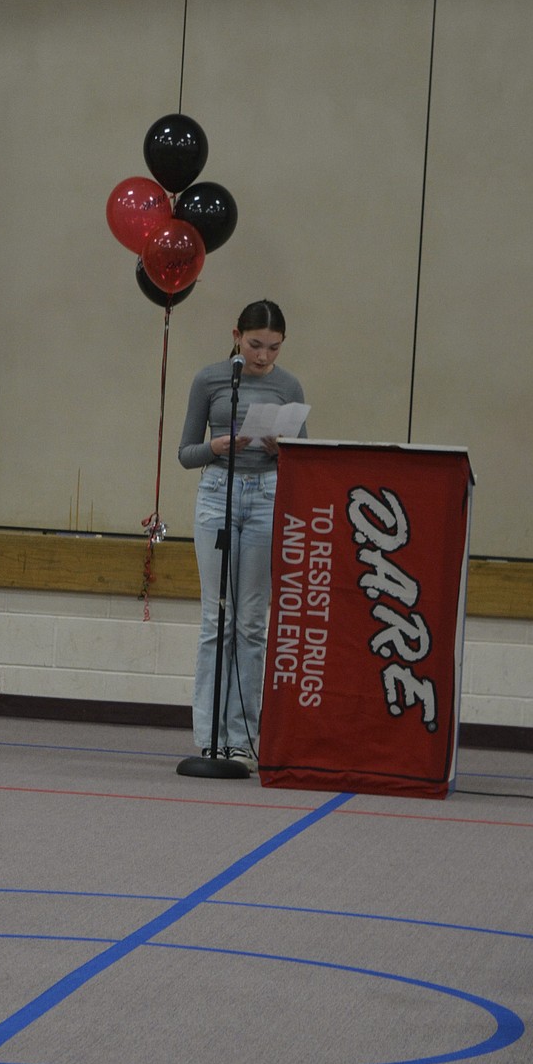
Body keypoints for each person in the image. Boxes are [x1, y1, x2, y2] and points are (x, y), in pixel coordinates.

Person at [177, 299, 307, 766]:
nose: (263, 357)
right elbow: (185, 453)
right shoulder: (211, 379)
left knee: (252, 622)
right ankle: (210, 733)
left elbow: (306, 459)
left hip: (267, 495)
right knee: (218, 619)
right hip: (218, 491)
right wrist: (215, 446)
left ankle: (243, 736)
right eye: (255, 345)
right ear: (236, 335)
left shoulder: (288, 385)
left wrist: (280, 448)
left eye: (273, 348)